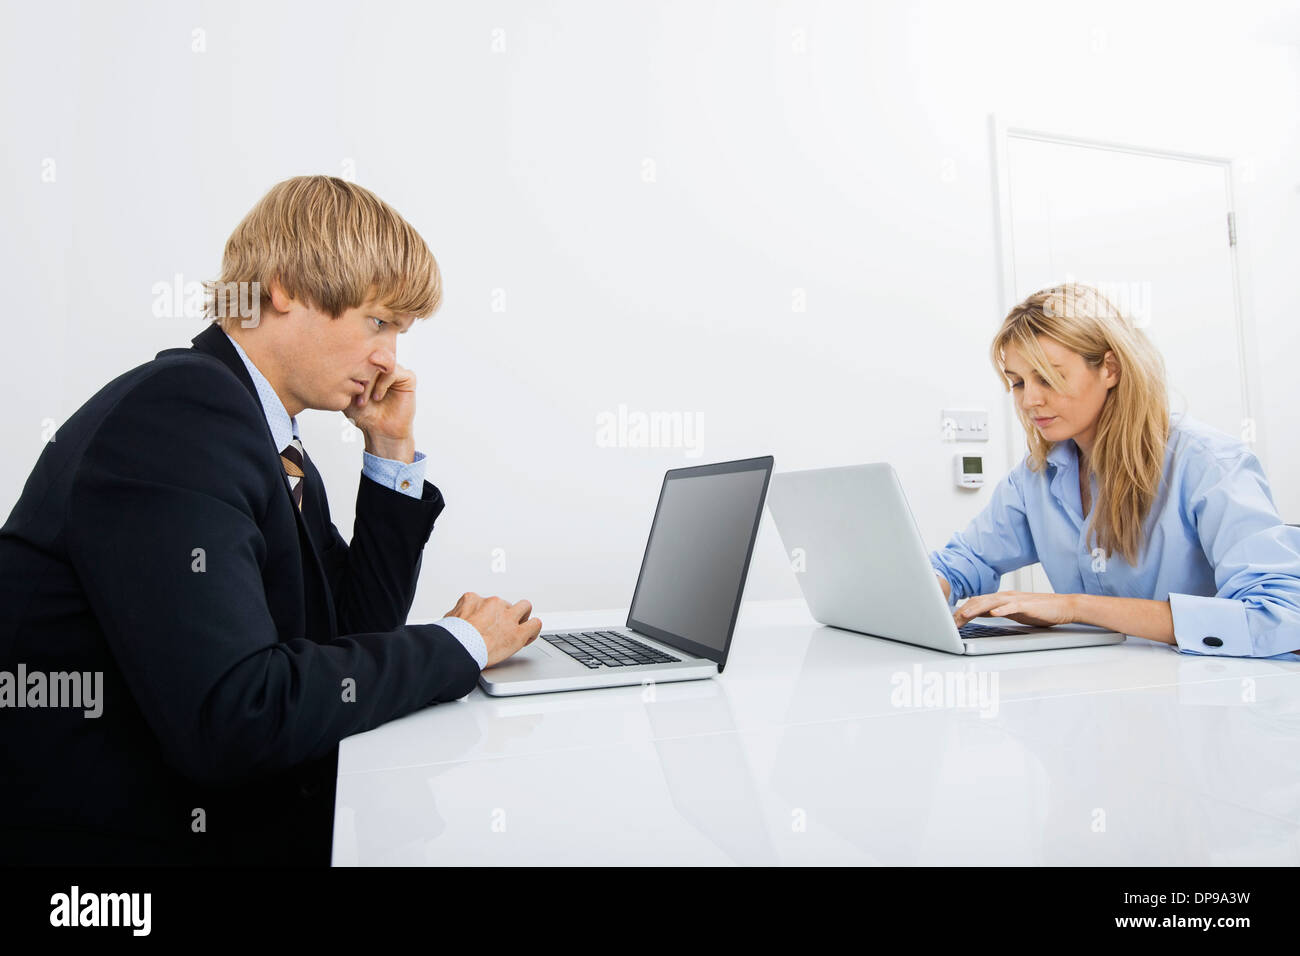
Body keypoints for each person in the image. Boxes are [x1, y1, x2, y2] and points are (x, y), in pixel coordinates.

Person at [0, 175, 541, 865]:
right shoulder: (180, 413)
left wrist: (389, 452)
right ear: (283, 287)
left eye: (399, 335)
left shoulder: (263, 433)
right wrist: (460, 644)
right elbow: (235, 716)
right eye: (377, 323)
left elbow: (349, 633)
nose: (389, 360)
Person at [930, 283, 1300, 660]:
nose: (1029, 400)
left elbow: (1279, 617)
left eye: (1049, 377)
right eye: (1018, 382)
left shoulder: (1209, 464)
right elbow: (964, 562)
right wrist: (909, 594)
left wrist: (1076, 607)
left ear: (1110, 368)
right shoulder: (1037, 476)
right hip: (1101, 691)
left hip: (1202, 698)